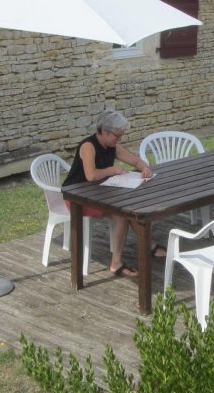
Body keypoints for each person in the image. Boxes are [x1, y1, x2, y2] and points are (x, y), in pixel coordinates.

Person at [63, 110, 161, 278]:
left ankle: (149, 245)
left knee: (131, 208)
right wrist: (112, 170)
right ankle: (117, 263)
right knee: (121, 213)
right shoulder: (88, 146)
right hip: (77, 197)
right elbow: (91, 175)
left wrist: (145, 168)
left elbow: (135, 160)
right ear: (104, 132)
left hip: (100, 193)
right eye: (117, 136)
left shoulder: (112, 146)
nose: (119, 139)